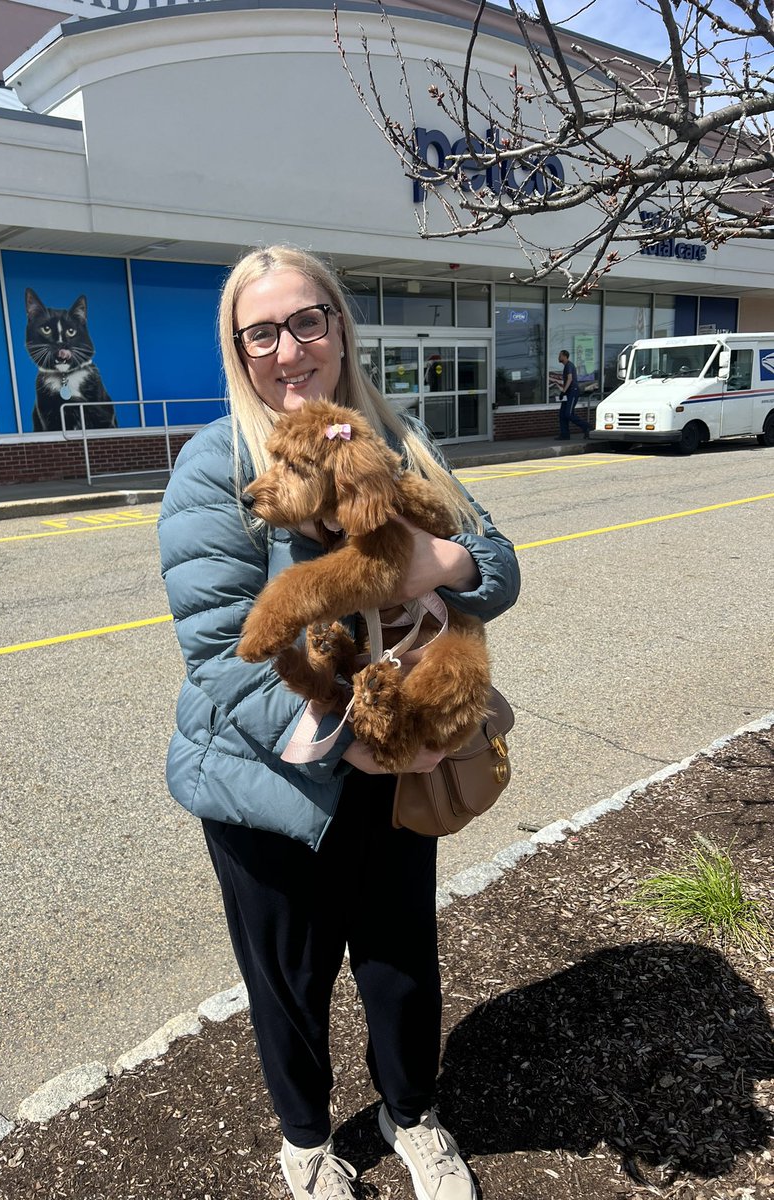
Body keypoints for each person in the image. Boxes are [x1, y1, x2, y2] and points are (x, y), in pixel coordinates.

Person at [158, 246, 520, 1200]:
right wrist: (357, 744)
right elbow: (218, 657)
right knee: (291, 979)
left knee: (402, 961)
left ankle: (415, 1117)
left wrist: (439, 566)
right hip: (272, 784)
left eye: (307, 320)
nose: (290, 348)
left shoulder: (395, 436)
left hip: (399, 764)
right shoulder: (218, 466)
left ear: (339, 325)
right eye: (263, 331)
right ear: (239, 348)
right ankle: (307, 1143)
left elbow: (500, 563)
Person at [557, 349, 590, 440]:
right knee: (562, 414)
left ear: (564, 356)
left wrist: (563, 391)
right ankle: (565, 434)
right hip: (567, 392)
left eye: (560, 355)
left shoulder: (569, 365)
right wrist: (564, 392)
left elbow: (570, 379)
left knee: (569, 414)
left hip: (572, 392)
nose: (558, 357)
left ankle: (587, 427)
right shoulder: (566, 366)